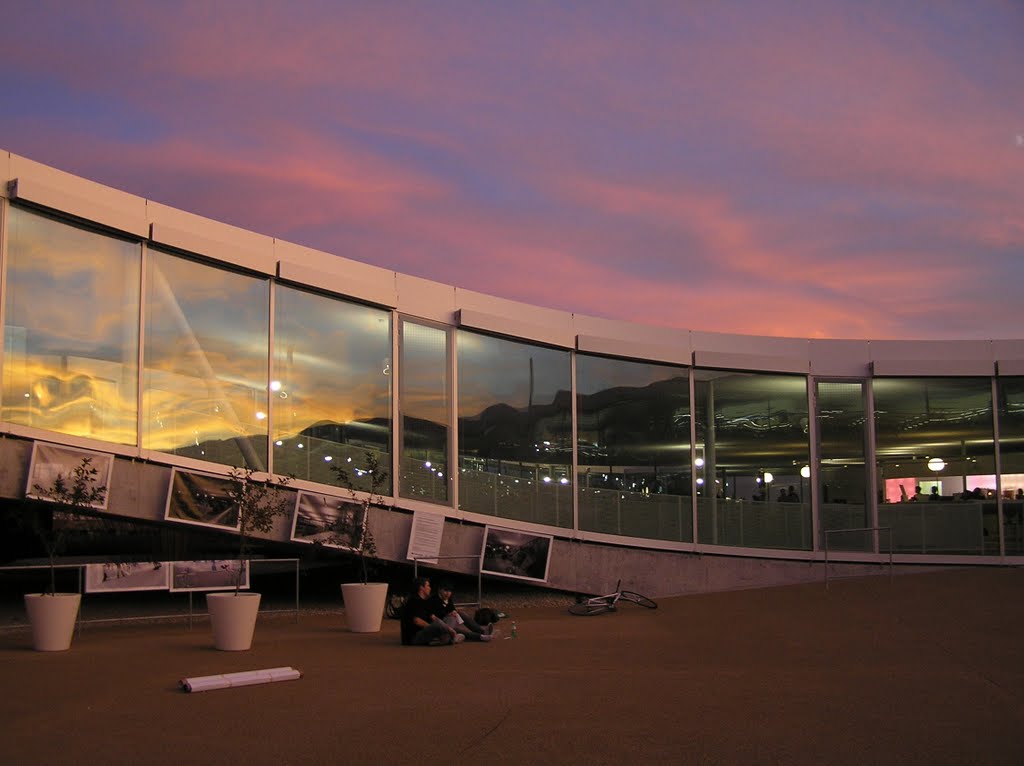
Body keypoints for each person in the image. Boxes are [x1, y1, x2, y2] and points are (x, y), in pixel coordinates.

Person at [400, 577, 463, 646]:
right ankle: (448, 639)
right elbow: (417, 621)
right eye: (428, 586)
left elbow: (434, 617)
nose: (430, 588)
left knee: (451, 618)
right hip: (414, 637)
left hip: (426, 633)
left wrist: (447, 628)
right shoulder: (414, 601)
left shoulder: (425, 602)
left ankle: (445, 639)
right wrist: (435, 627)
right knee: (437, 626)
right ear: (421, 588)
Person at [427, 581, 498, 642]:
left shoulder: (448, 599)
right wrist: (448, 614)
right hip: (441, 623)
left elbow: (452, 608)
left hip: (450, 620)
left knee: (460, 613)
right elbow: (434, 616)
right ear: (439, 590)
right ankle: (480, 637)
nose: (448, 593)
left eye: (450, 591)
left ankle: (482, 632)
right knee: (458, 630)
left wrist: (454, 612)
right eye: (445, 590)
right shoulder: (433, 600)